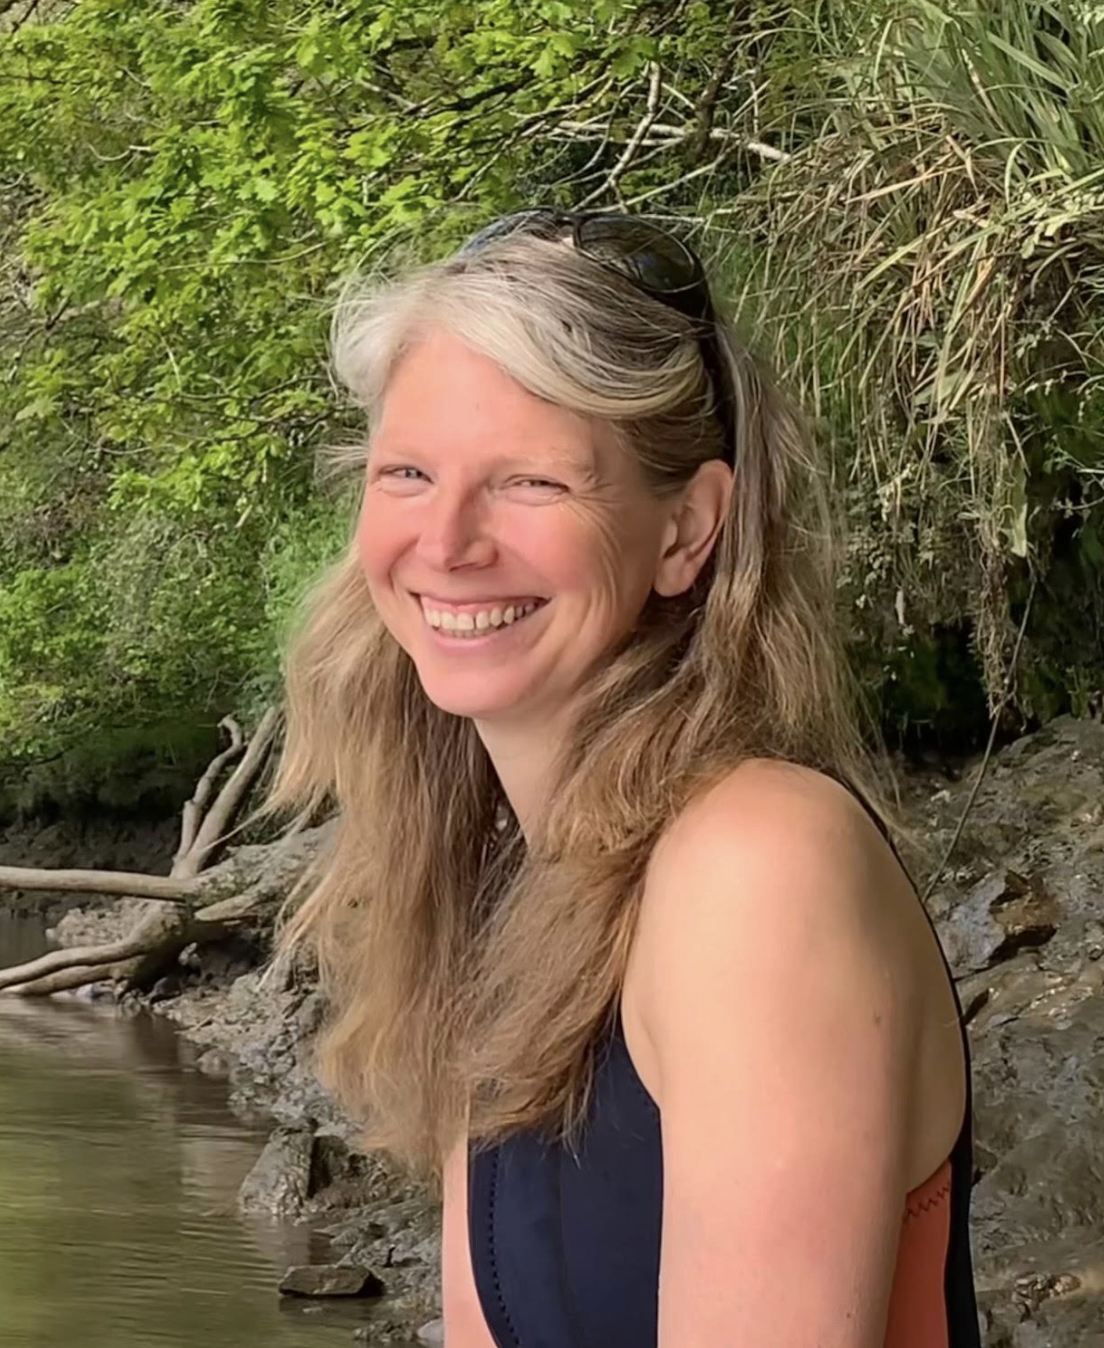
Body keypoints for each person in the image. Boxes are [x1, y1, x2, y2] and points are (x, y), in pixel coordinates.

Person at [268, 208, 981, 1347]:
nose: (446, 541)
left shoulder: (756, 866)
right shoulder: (507, 893)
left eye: (531, 482)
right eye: (409, 472)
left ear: (686, 529)